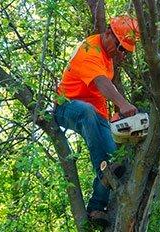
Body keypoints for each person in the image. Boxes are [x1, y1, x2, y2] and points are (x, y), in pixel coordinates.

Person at [54, 15, 140, 226]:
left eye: (124, 51)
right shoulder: (90, 50)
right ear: (109, 33)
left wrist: (115, 117)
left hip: (95, 113)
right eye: (120, 47)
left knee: (113, 157)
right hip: (67, 107)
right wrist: (124, 104)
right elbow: (101, 83)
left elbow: (100, 92)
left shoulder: (107, 57)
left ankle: (95, 208)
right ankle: (103, 172)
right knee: (88, 113)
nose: (120, 53)